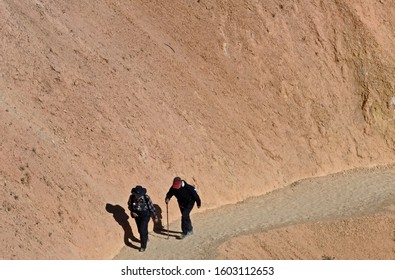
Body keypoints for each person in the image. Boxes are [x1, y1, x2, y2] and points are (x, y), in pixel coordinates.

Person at [128, 185, 158, 252]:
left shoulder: (146, 197)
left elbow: (151, 207)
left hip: (145, 215)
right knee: (140, 229)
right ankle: (145, 237)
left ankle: (143, 246)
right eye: (136, 195)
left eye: (138, 195)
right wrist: (132, 212)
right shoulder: (131, 197)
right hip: (137, 215)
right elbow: (129, 205)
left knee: (142, 229)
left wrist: (155, 216)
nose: (137, 197)